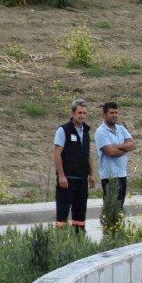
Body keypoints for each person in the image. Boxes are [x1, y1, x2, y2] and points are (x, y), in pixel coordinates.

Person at [53, 99, 96, 232]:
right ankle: (60, 241)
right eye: (79, 112)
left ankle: (79, 241)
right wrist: (61, 176)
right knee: (63, 213)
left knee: (80, 214)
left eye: (84, 113)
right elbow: (57, 153)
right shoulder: (63, 130)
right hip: (67, 179)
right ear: (72, 113)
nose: (82, 116)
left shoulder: (86, 131)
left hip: (82, 180)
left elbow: (87, 154)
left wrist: (92, 174)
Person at [95, 101, 136, 226]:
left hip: (121, 174)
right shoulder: (101, 132)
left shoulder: (121, 128)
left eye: (116, 112)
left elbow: (133, 145)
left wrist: (118, 146)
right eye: (111, 113)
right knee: (110, 207)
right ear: (104, 115)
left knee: (120, 206)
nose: (114, 115)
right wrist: (125, 148)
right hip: (109, 176)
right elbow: (110, 152)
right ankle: (109, 231)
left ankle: (117, 230)